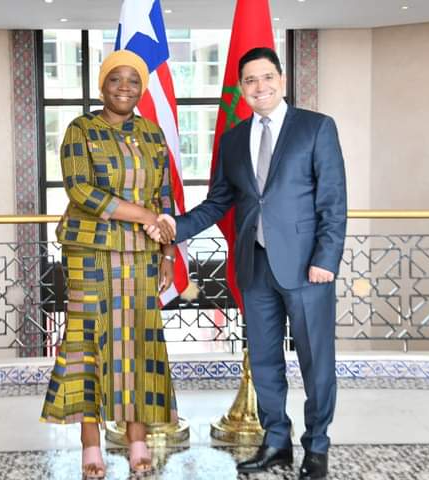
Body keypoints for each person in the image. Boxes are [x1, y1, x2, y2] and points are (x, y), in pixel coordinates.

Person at [147, 47, 347, 479]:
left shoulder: (316, 128)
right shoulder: (234, 139)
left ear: (282, 79)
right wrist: (176, 227)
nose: (260, 86)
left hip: (308, 270)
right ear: (241, 88)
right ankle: (276, 442)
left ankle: (316, 446)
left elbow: (333, 202)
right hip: (254, 268)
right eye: (251, 80)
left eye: (267, 77)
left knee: (316, 362)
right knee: (264, 360)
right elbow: (219, 201)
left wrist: (326, 259)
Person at [40, 49, 178, 479]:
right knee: (88, 342)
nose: (124, 88)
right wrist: (144, 215)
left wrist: (168, 252)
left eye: (133, 81)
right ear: (102, 85)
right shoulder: (81, 129)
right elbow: (81, 190)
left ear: (142, 88)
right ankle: (90, 444)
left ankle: (137, 440)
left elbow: (165, 195)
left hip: (141, 253)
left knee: (137, 343)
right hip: (89, 251)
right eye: (115, 79)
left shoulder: (152, 133)